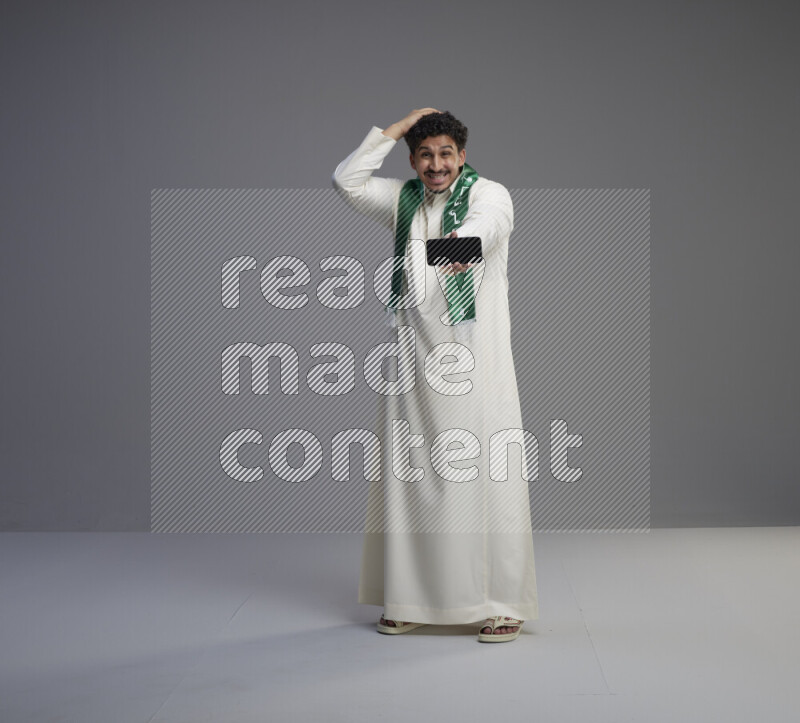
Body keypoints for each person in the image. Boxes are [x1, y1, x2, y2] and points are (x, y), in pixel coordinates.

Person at [332, 109, 538, 642]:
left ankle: (501, 603)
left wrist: (409, 259)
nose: (436, 164)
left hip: (473, 357)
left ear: (462, 156)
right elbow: (346, 181)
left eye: (446, 153)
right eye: (424, 154)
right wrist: (396, 128)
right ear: (413, 160)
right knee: (412, 475)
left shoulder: (491, 195)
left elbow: (473, 242)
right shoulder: (405, 200)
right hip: (412, 361)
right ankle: (411, 597)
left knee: (484, 472)